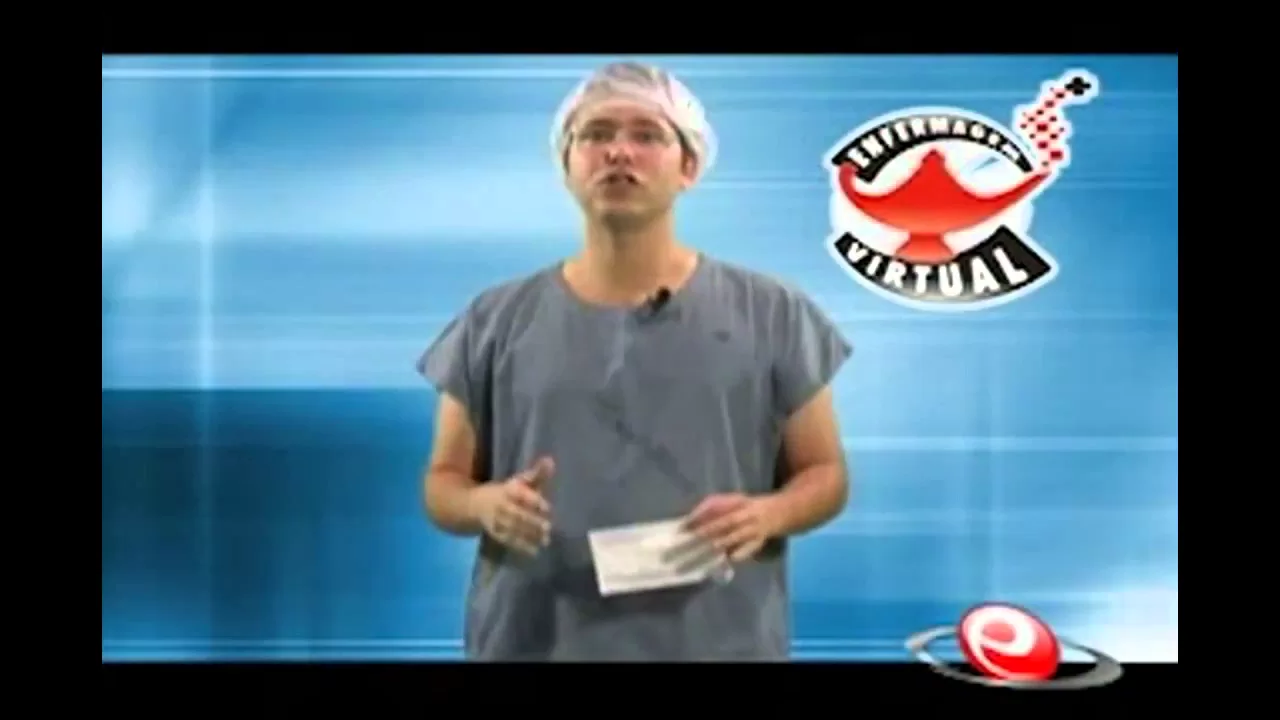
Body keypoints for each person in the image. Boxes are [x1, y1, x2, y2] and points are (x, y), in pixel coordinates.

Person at [417, 61, 852, 661]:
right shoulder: (495, 319)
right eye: (596, 134)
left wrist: (769, 514)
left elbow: (825, 474)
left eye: (647, 135)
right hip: (536, 640)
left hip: (717, 642)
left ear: (689, 166)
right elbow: (443, 483)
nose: (618, 151)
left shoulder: (771, 311)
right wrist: (483, 506)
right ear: (567, 164)